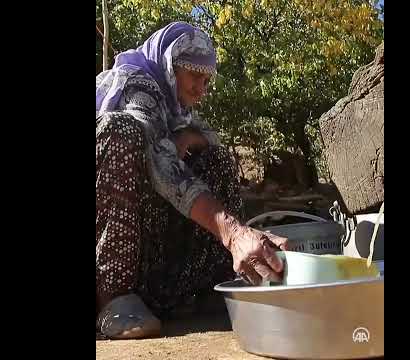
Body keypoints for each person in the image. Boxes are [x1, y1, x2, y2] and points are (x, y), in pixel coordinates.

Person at [96, 21, 288, 339]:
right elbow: (162, 164)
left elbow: (212, 139)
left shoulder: (175, 107)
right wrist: (233, 233)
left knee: (214, 158)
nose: (202, 89)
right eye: (194, 76)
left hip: (145, 248)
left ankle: (209, 285)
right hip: (105, 248)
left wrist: (193, 136)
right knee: (121, 131)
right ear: (170, 68)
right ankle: (113, 298)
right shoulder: (138, 86)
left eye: (206, 79)